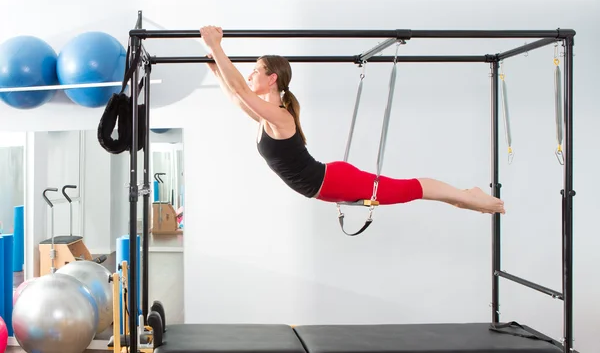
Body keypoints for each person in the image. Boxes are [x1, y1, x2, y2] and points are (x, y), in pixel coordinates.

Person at [200, 25, 505, 215]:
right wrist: (215, 67)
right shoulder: (265, 118)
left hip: (335, 182)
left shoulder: (280, 116)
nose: (251, 73)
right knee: (406, 191)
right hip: (330, 180)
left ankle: (466, 197)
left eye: (256, 68)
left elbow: (240, 89)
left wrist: (217, 46)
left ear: (272, 79)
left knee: (409, 189)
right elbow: (235, 95)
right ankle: (461, 198)